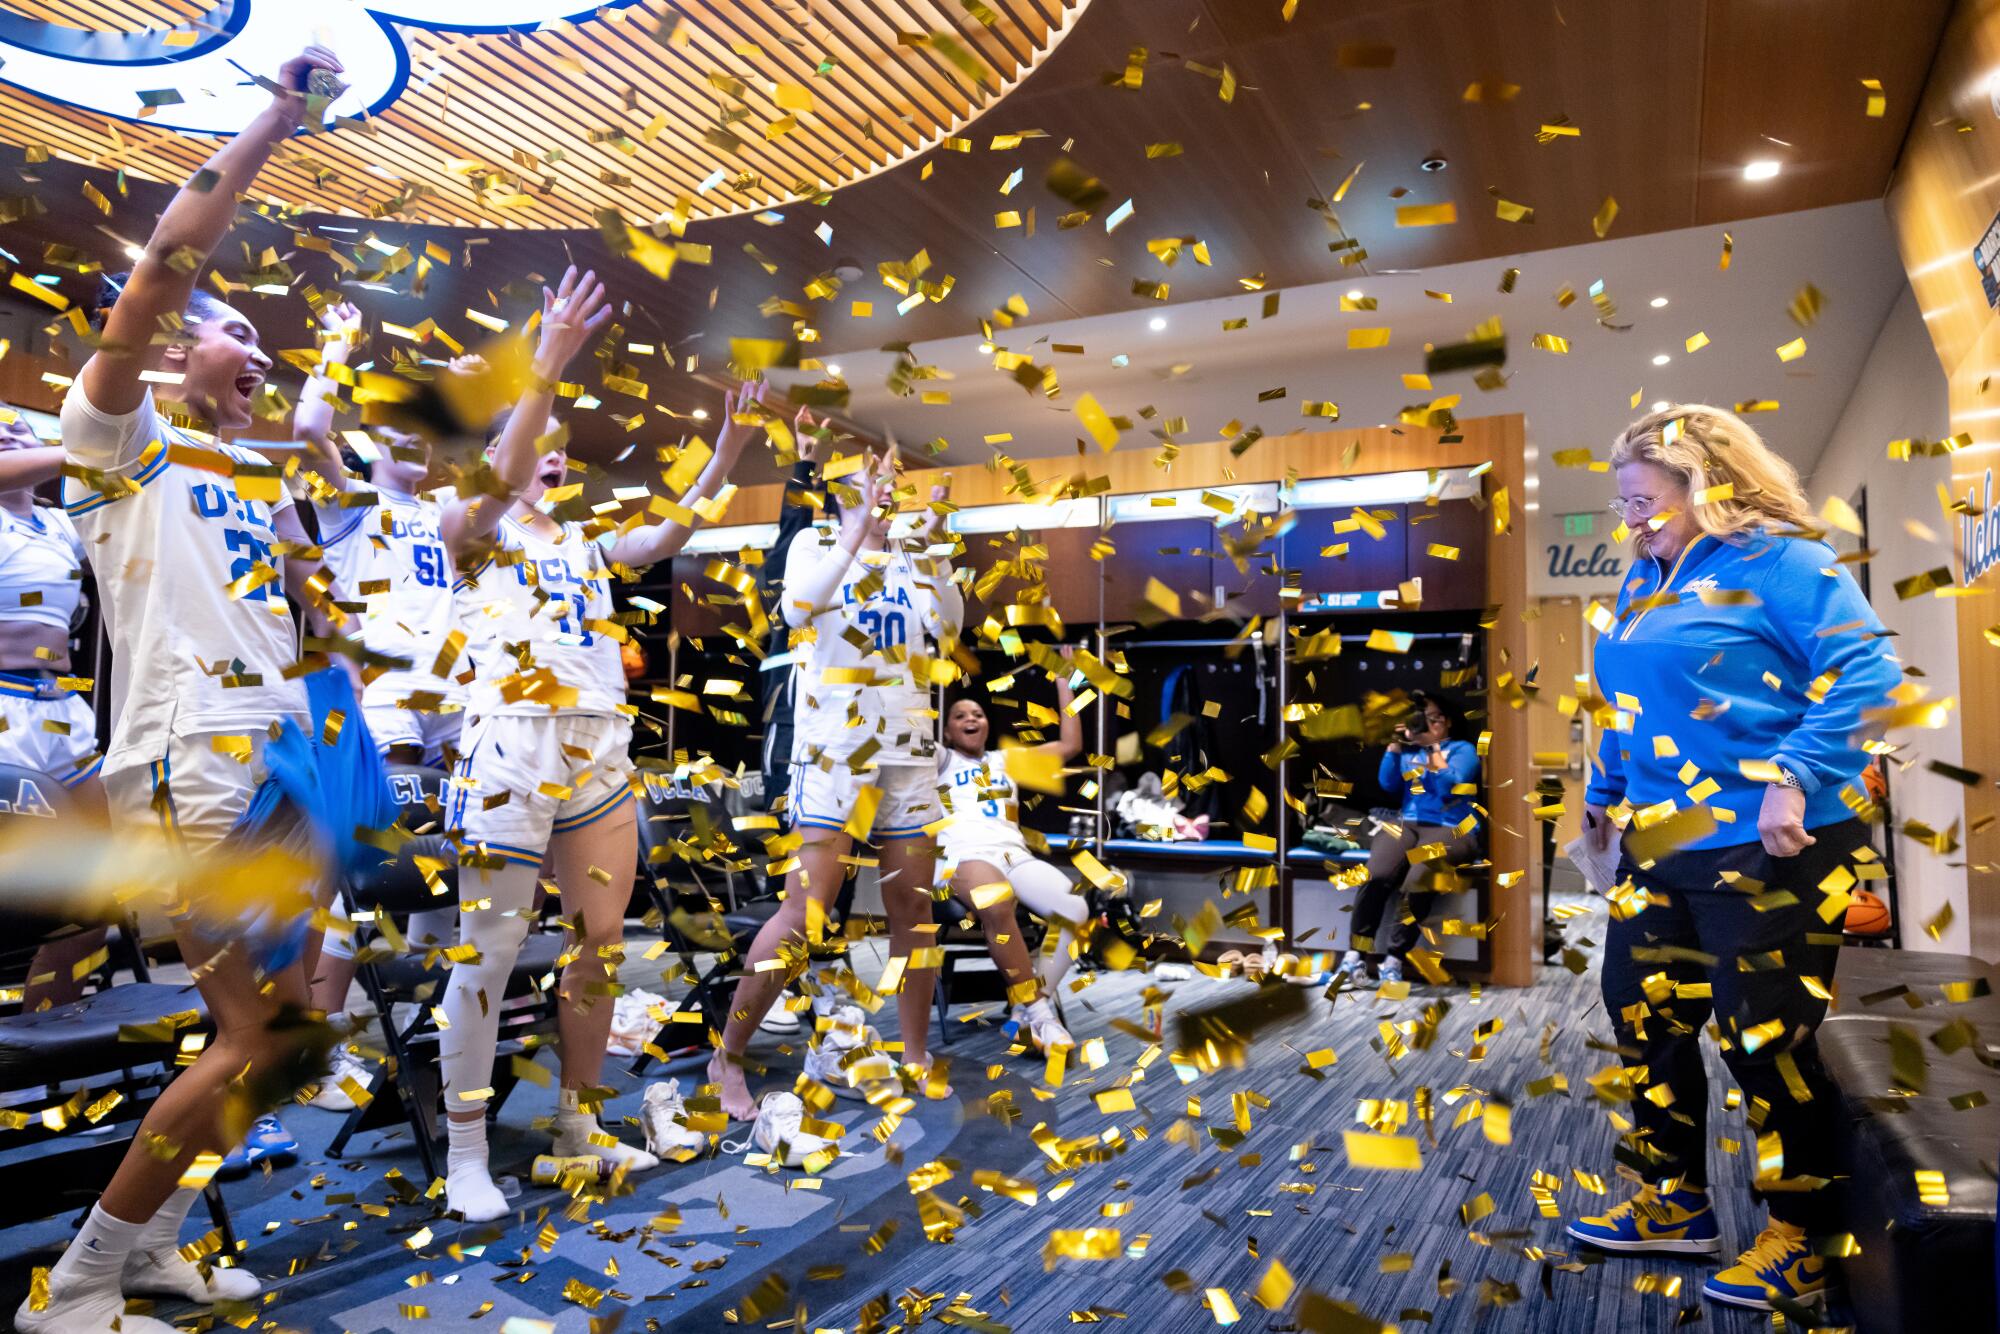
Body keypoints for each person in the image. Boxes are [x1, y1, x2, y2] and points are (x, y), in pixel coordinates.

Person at [18, 45, 356, 1334]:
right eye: (233, 326)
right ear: (170, 347)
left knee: (291, 1040)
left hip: (282, 752)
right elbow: (167, 260)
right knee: (245, 1035)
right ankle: (81, 1285)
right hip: (188, 757)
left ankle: (149, 1246)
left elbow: (298, 614)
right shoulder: (117, 432)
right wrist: (278, 115)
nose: (251, 344)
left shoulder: (253, 474)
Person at [1563, 404, 1902, 1313]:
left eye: (1645, 500)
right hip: (1664, 840)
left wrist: (1795, 774)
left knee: (1764, 1038)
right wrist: (1603, 789)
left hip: (1772, 840)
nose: (1630, 520)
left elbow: (1869, 677)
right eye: (1623, 504)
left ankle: (1801, 1237)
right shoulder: (1643, 584)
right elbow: (1631, 705)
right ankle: (1673, 1198)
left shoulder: (1785, 564)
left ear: (1707, 485)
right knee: (1642, 1014)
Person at [435, 268, 758, 1221]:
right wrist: (543, 370)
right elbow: (495, 480)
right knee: (485, 954)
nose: (552, 459)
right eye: (533, 448)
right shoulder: (466, 526)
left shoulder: (580, 545)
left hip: (598, 747)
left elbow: (666, 535)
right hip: (507, 745)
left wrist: (732, 445)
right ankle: (463, 1153)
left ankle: (579, 1119)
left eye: (558, 452)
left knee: (602, 946)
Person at [708, 450, 962, 1122]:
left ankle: (914, 1054)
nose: (885, 493)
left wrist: (934, 548)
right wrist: (855, 531)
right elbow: (796, 611)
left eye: (891, 486)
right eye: (871, 483)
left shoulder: (912, 553)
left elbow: (948, 629)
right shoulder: (816, 543)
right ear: (845, 491)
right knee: (806, 913)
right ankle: (727, 1054)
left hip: (907, 747)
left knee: (915, 914)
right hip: (836, 750)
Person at [292, 301, 462, 1110]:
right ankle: (316, 1050)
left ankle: (426, 1028)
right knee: (361, 865)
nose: (414, 443)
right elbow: (306, 428)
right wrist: (334, 348)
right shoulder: (352, 502)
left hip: (450, 698)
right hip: (385, 693)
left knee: (443, 865)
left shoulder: (443, 515)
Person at [0, 407, 113, 1012]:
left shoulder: (59, 523)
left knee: (97, 895)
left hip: (60, 710)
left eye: (17, 425)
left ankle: (49, 1037)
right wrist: (89, 447)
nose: (5, 430)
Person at [936, 649, 1090, 1051]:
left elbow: (1071, 743)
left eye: (978, 714)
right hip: (963, 857)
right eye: (960, 716)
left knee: (1076, 909)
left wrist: (1065, 677)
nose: (971, 718)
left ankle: (1026, 1009)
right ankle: (1040, 1013)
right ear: (948, 732)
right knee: (996, 899)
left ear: (988, 726)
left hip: (1013, 855)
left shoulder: (1007, 760)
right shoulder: (939, 760)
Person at [1336, 690, 1481, 988]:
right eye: (1421, 720)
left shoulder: (1462, 749)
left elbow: (1451, 786)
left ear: (1448, 722)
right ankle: (1355, 954)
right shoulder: (1409, 750)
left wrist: (1432, 748)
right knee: (1377, 873)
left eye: (1434, 719)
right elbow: (1387, 783)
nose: (1428, 726)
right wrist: (1395, 744)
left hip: (1452, 826)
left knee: (1419, 875)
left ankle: (1394, 959)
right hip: (1408, 822)